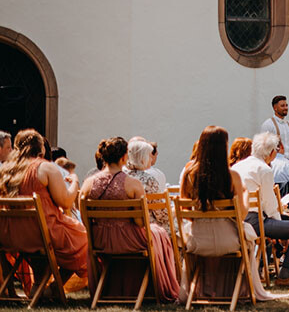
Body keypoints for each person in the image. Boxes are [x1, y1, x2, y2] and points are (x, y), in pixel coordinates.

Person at [180, 126, 282, 302]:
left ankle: (204, 289)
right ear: (224, 147)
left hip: (197, 241)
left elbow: (185, 213)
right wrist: (243, 195)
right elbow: (241, 216)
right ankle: (237, 290)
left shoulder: (189, 175)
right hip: (228, 241)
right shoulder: (231, 176)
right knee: (248, 239)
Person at [81, 137, 180, 302]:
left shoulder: (88, 183)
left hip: (99, 240)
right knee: (160, 233)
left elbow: (85, 219)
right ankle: (151, 289)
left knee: (156, 232)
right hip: (128, 241)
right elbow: (140, 222)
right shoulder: (132, 184)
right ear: (124, 158)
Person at [0, 129, 88, 287]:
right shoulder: (45, 168)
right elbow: (66, 202)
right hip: (41, 233)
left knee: (44, 248)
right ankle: (54, 287)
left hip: (8, 235)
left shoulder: (6, 170)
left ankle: (36, 288)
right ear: (41, 148)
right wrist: (74, 181)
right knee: (86, 241)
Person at [231, 132, 289, 286]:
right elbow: (270, 205)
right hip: (256, 221)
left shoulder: (237, 166)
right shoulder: (264, 169)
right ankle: (285, 274)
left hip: (237, 219)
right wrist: (279, 231)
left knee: (286, 222)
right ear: (272, 152)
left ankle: (264, 268)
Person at [124, 139, 168, 226]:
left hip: (126, 225)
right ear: (142, 158)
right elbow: (160, 214)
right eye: (149, 156)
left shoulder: (122, 176)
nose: (151, 159)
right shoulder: (148, 180)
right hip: (148, 226)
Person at [262, 95, 289, 163]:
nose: (285, 108)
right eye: (282, 106)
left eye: (286, 105)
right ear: (275, 108)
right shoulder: (268, 124)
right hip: (274, 163)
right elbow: (264, 146)